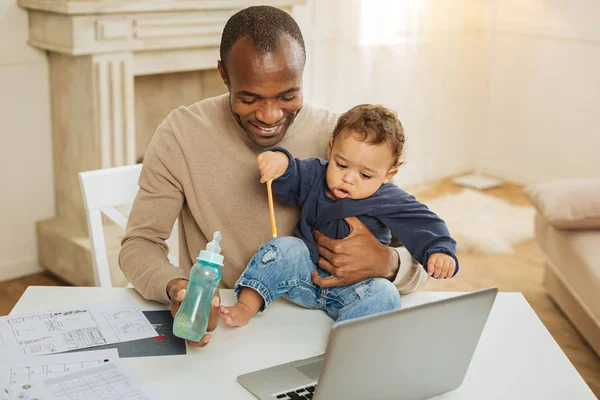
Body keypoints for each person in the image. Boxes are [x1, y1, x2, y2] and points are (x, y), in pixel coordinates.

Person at [119, 6, 431, 348]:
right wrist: (178, 288)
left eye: (288, 96)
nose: (269, 116)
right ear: (224, 75)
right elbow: (139, 245)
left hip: (328, 330)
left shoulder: (343, 142)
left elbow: (419, 251)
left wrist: (387, 262)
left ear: (302, 74)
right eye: (249, 98)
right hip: (233, 328)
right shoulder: (181, 134)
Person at [220, 104, 458, 326]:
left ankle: (347, 339)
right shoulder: (315, 173)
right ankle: (245, 306)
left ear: (389, 174)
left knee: (385, 294)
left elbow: (423, 223)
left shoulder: (390, 198)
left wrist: (439, 250)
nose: (348, 178)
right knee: (285, 248)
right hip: (305, 278)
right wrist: (279, 162)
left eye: (365, 175)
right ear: (331, 148)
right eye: (341, 165)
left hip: (354, 289)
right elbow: (291, 174)